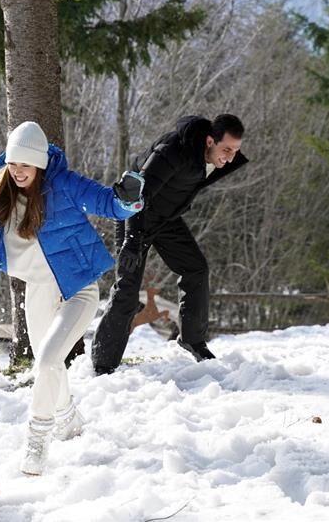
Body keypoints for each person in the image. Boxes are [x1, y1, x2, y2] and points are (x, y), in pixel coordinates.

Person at [0, 117, 143, 475]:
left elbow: (109, 204)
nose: (18, 171)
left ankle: (36, 440)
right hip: (39, 288)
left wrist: (129, 199)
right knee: (47, 364)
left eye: (26, 164)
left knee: (47, 359)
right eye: (13, 163)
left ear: (40, 163)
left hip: (77, 289)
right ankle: (68, 419)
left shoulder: (62, 184)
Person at [91, 114, 248, 375]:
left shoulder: (214, 158)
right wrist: (131, 239)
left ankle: (192, 339)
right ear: (210, 140)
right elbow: (136, 191)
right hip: (136, 218)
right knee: (127, 288)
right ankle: (103, 363)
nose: (230, 157)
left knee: (196, 269)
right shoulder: (173, 151)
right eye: (226, 150)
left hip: (166, 219)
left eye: (236, 151)